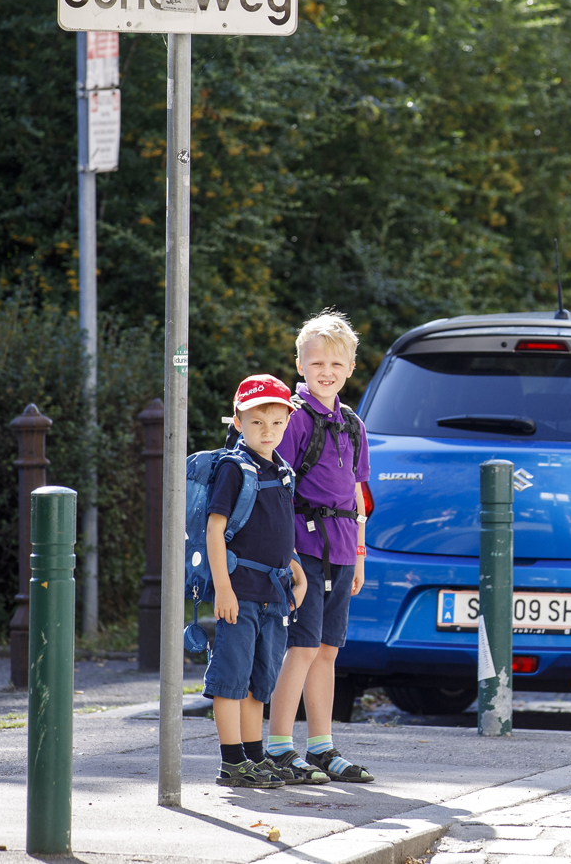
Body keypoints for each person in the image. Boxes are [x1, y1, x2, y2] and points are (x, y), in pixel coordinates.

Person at [264, 310, 376, 784]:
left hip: (344, 550)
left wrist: (361, 555)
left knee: (328, 650)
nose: (326, 372)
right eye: (316, 363)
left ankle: (321, 747)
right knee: (302, 647)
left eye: (335, 363)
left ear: (351, 367)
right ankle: (278, 746)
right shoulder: (293, 420)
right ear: (300, 365)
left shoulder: (353, 424)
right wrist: (287, 557)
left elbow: (357, 495)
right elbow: (277, 488)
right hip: (304, 552)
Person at [205, 374, 307, 789]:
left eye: (277, 423)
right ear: (238, 422)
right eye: (257, 423)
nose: (268, 431)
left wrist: (296, 570)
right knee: (231, 678)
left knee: (259, 682)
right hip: (241, 592)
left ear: (288, 422)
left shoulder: (282, 469)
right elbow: (216, 530)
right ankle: (232, 762)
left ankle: (254, 756)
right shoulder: (234, 468)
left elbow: (278, 530)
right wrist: (223, 588)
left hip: (274, 594)